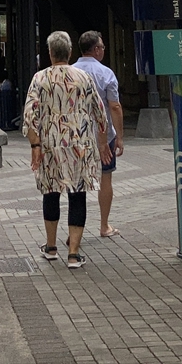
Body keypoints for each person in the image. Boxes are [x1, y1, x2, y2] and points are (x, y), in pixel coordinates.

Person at [23, 31, 109, 270]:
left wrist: (35, 146)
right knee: (77, 194)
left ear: (50, 54)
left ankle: (51, 247)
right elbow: (100, 114)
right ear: (70, 53)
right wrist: (102, 142)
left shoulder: (39, 79)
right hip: (80, 145)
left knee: (50, 192)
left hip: (50, 145)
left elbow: (30, 117)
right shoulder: (83, 77)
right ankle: (73, 254)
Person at [71, 31, 125, 239]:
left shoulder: (71, 72)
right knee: (106, 178)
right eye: (101, 46)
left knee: (77, 183)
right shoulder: (106, 73)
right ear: (96, 50)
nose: (103, 49)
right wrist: (119, 136)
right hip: (103, 134)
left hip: (77, 135)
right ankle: (104, 225)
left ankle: (75, 230)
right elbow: (115, 106)